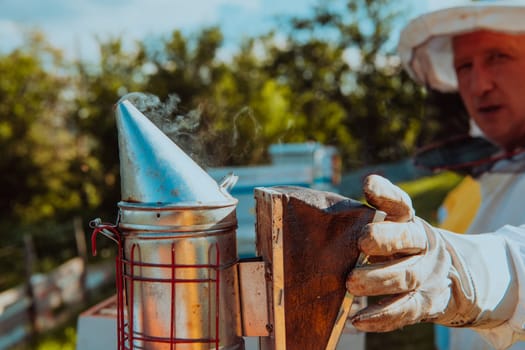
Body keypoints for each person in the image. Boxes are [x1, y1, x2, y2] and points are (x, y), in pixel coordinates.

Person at [345, 2, 525, 350]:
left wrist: (460, 272)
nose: (479, 84)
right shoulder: (462, 199)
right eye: (464, 66)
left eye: (498, 57)